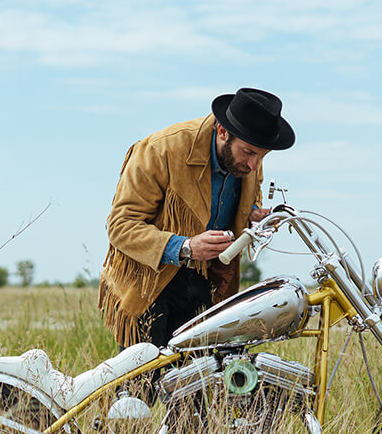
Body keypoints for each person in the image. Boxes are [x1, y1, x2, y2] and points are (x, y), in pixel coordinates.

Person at [98, 88, 295, 350]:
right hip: (147, 282)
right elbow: (121, 226)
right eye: (248, 152)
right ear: (223, 131)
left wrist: (253, 217)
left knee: (200, 383)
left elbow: (240, 205)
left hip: (207, 281)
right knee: (142, 383)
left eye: (262, 156)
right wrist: (186, 247)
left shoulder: (247, 159)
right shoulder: (159, 150)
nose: (254, 166)